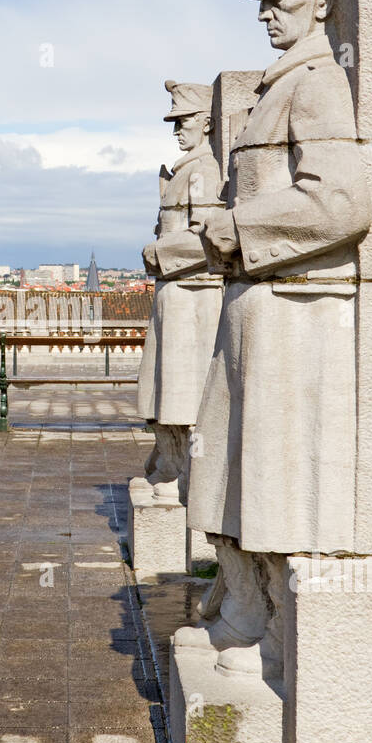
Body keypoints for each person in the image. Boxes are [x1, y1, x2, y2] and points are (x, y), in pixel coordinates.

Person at [184, 0, 372, 675]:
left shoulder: (319, 82)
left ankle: (265, 624)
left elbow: (341, 204)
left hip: (287, 307)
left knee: (267, 475)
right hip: (256, 304)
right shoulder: (280, 86)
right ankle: (246, 603)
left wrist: (237, 225)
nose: (266, 8)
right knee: (225, 468)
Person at [135, 81, 223, 504]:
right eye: (174, 122)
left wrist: (156, 251)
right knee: (162, 390)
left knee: (182, 393)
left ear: (206, 123)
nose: (176, 130)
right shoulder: (186, 169)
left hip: (192, 294)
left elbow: (205, 237)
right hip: (176, 294)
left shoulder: (204, 171)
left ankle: (184, 474)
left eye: (183, 121)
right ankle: (169, 464)